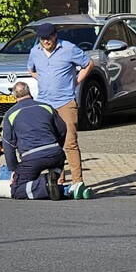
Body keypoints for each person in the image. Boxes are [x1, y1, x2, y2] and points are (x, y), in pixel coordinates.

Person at [27, 22, 94, 192]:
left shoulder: (68, 48)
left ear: (55, 35)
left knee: (70, 142)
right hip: (45, 103)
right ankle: (58, 182)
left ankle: (77, 182)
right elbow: (31, 70)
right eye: (42, 38)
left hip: (65, 102)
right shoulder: (35, 51)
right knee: (52, 144)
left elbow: (89, 64)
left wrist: (76, 81)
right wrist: (43, 79)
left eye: (49, 37)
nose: (46, 41)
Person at [2, 81, 72, 200]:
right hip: (56, 157)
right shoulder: (47, 107)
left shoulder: (10, 114)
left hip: (32, 159)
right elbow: (63, 129)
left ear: (14, 96)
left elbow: (8, 145)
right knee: (53, 169)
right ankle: (53, 178)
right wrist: (57, 147)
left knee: (17, 190)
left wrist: (14, 169)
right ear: (29, 92)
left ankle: (50, 186)